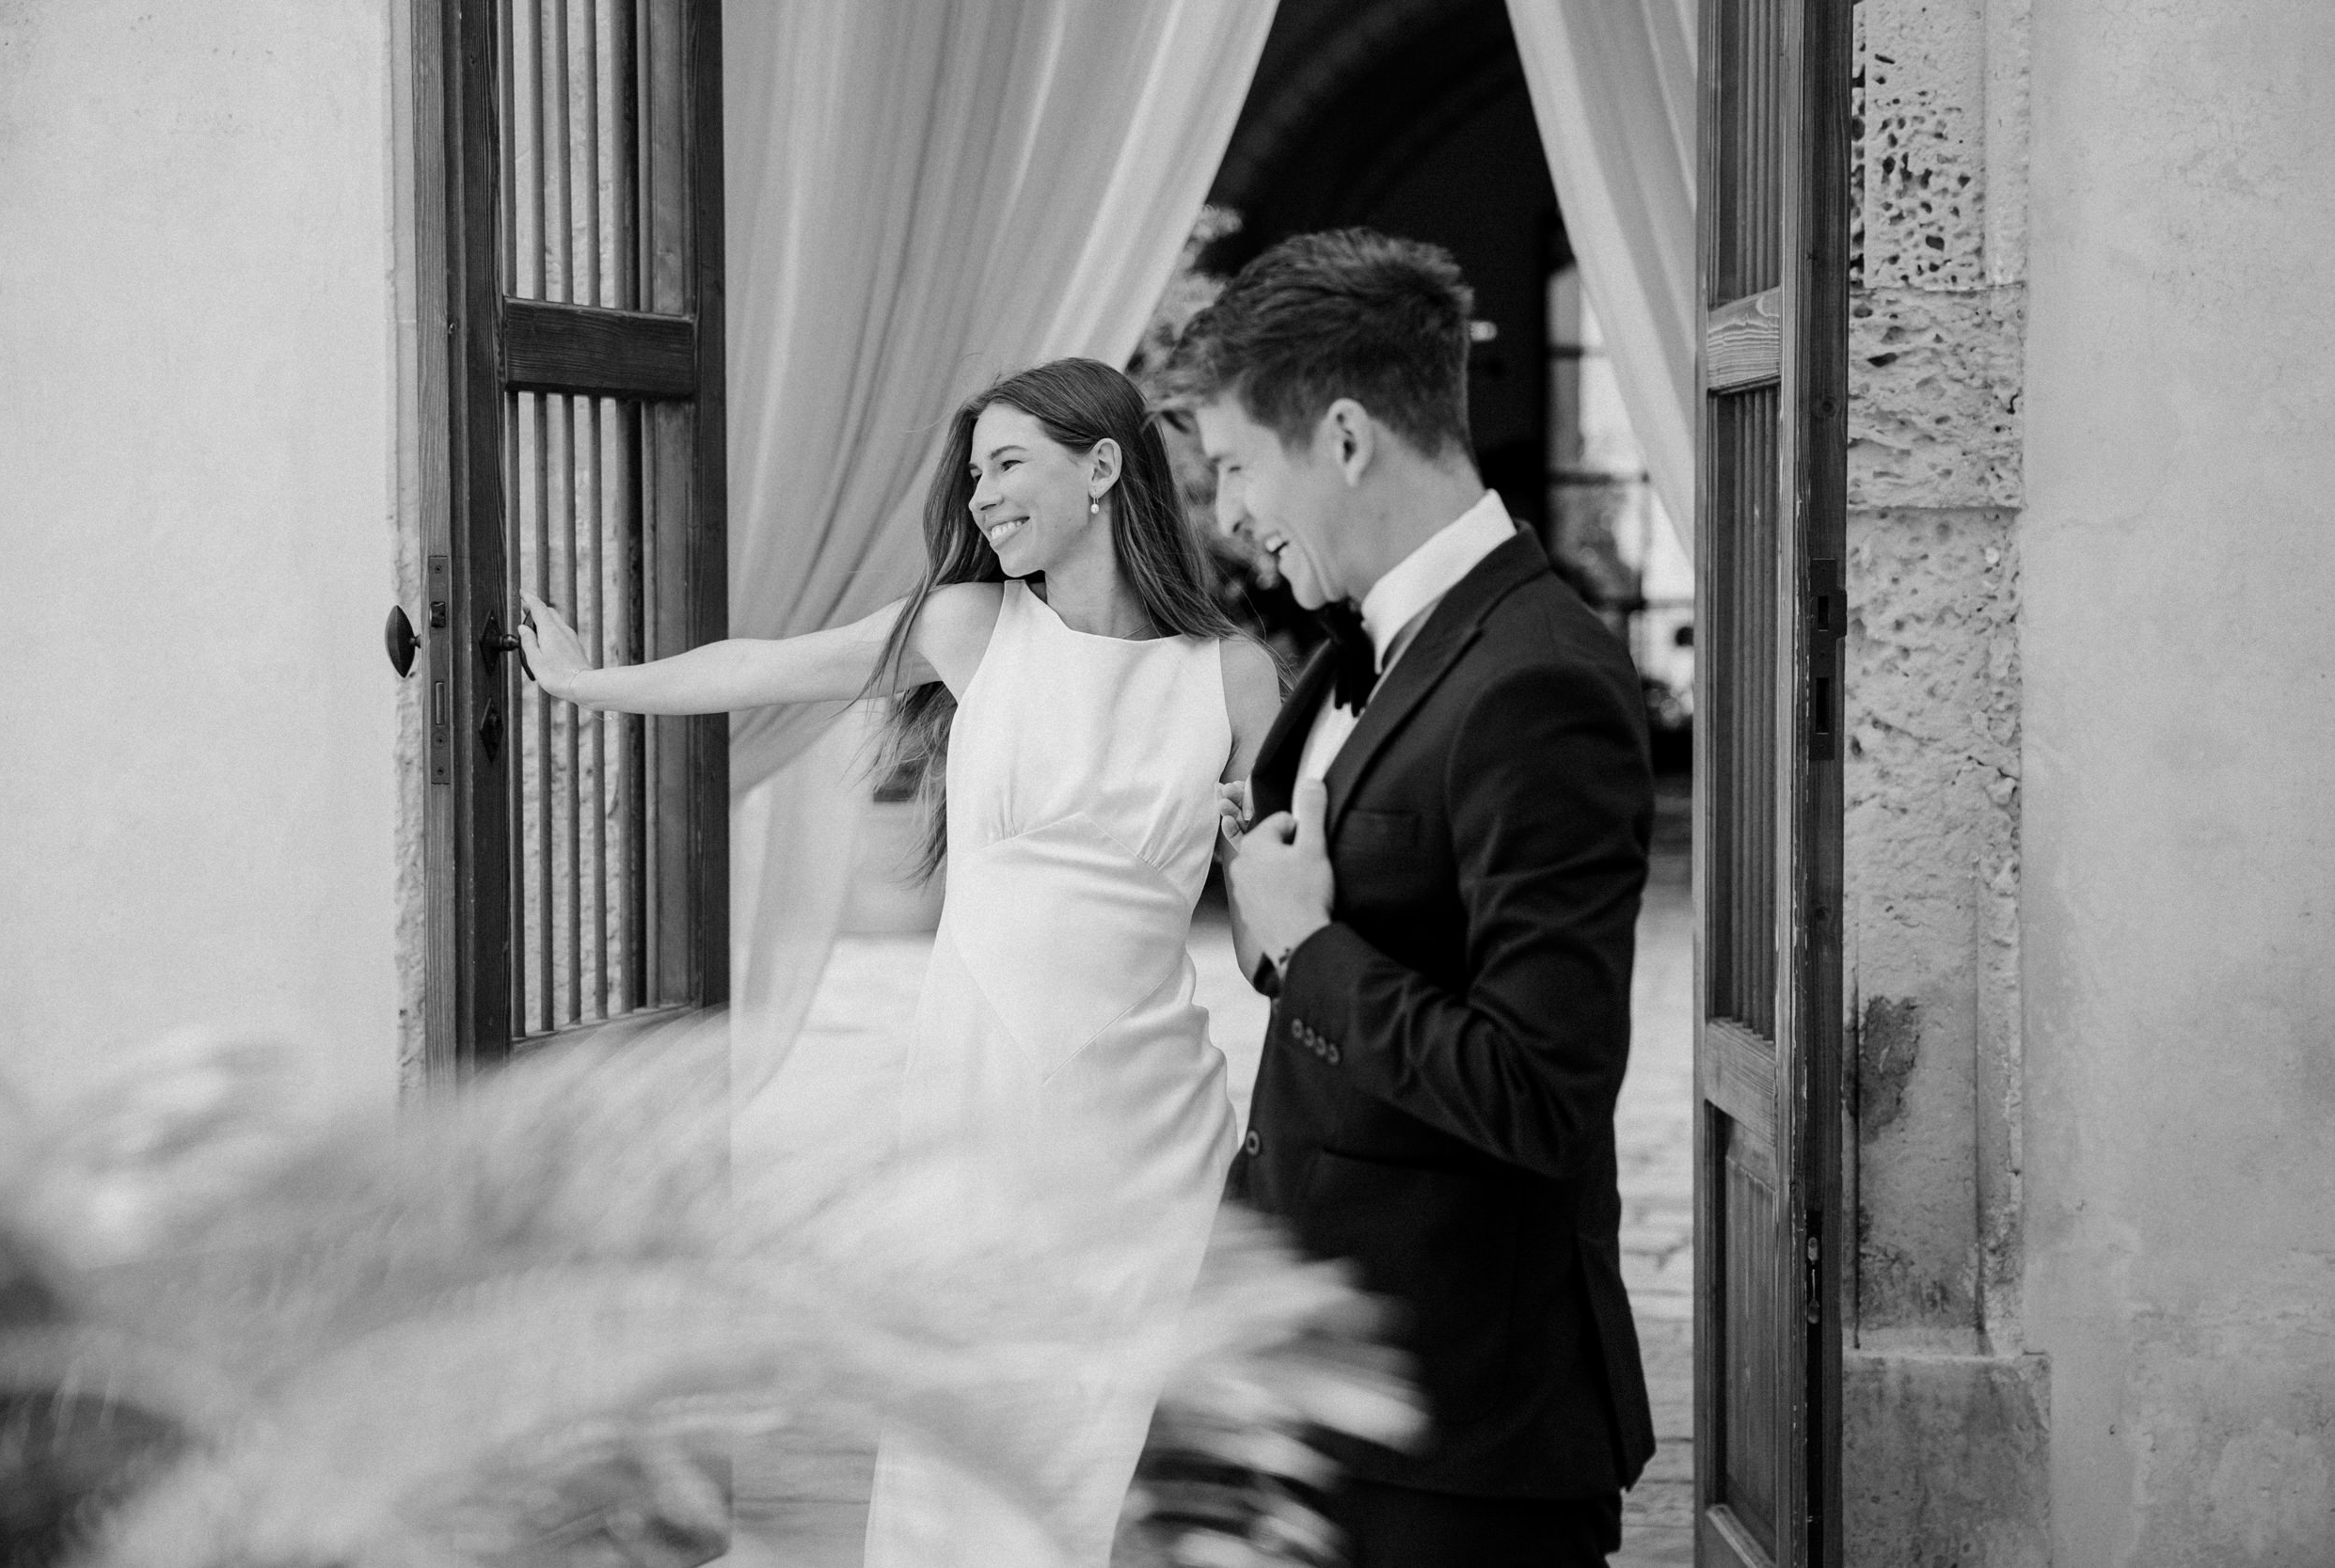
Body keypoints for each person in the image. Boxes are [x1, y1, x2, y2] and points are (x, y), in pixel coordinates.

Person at [516, 356, 1282, 1567]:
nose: (979, 496)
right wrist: (585, 680)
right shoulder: (971, 627)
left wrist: (1265, 869)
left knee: (1120, 1431)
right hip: (983, 1087)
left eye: (1007, 463)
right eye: (972, 473)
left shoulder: (1233, 677)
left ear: (1102, 465)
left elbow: (1264, 946)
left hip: (1150, 1113)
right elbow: (767, 663)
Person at [1168, 230, 1657, 1568]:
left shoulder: (1536, 684)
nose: (1226, 516)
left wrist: (1306, 943)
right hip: (1326, 1377)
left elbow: (1541, 1087)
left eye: (1232, 467)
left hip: (1462, 1436)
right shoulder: (1354, 657)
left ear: (1341, 437)